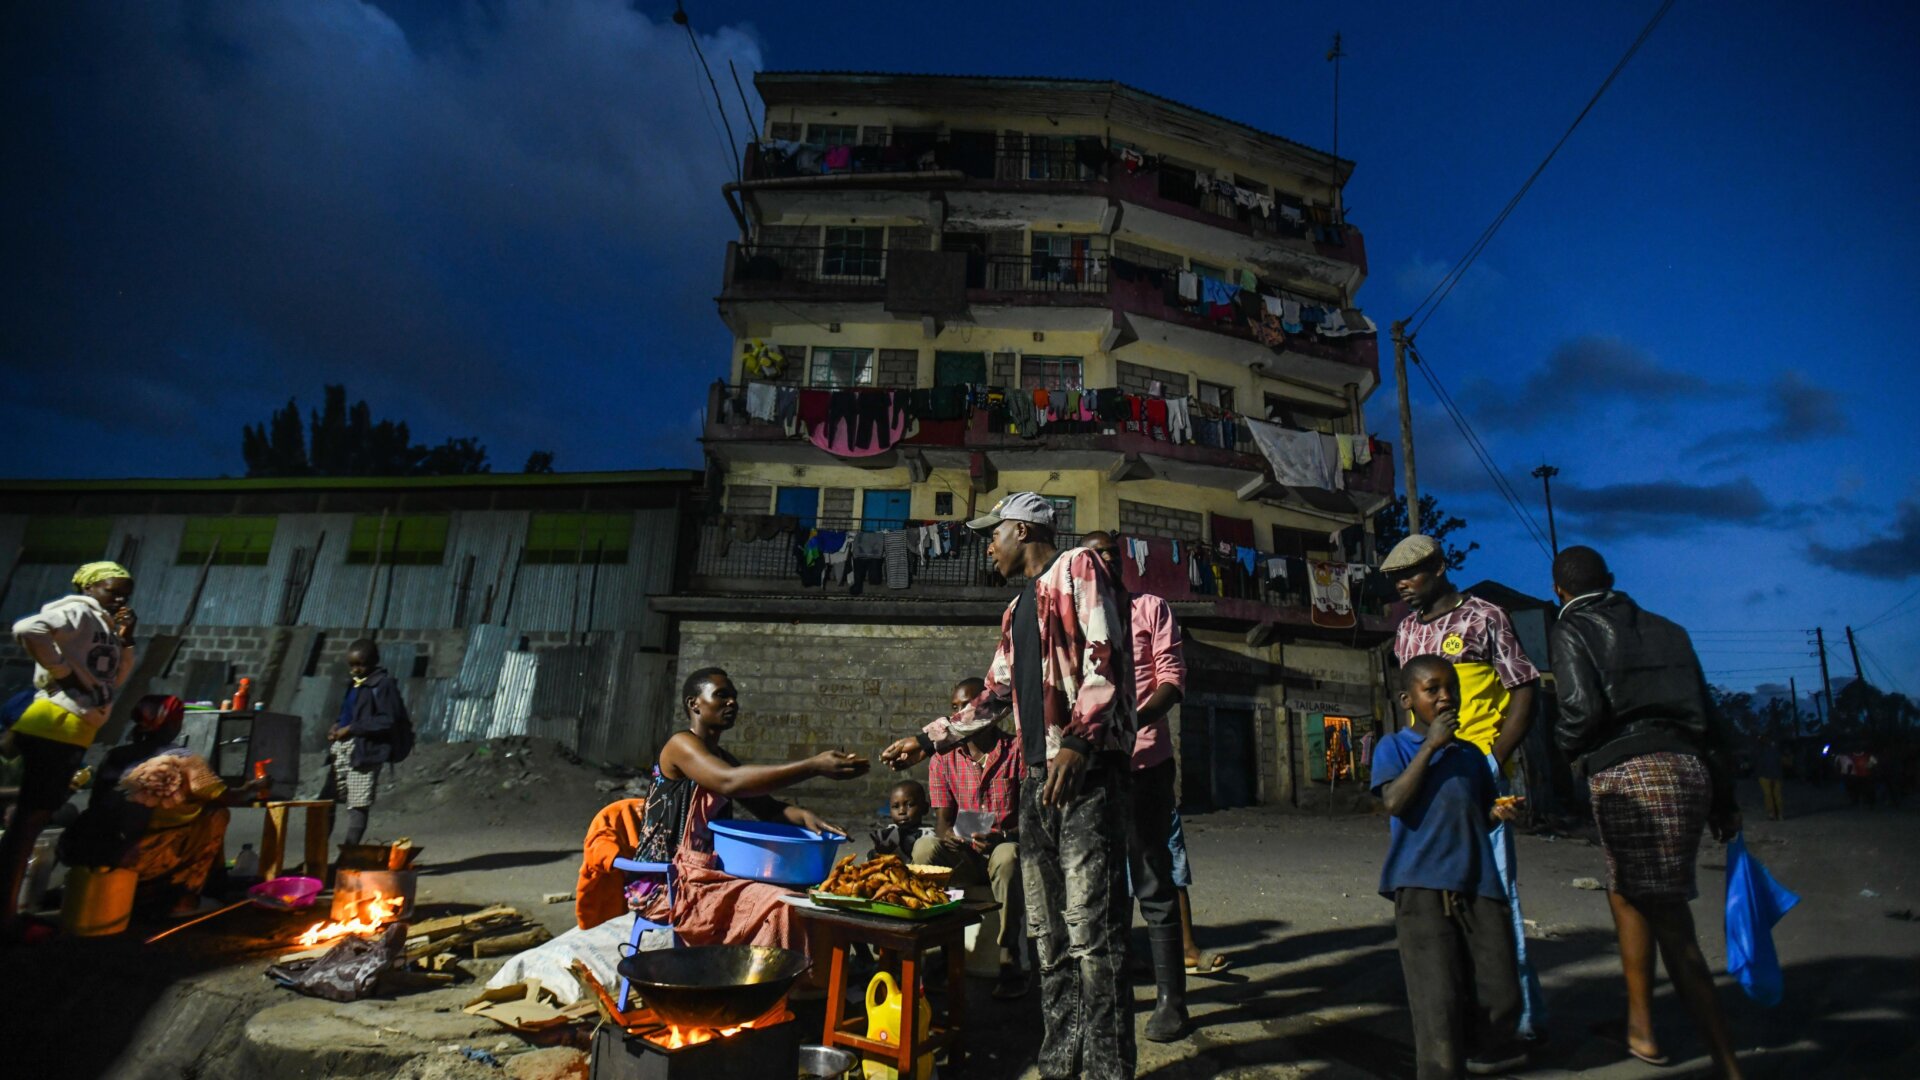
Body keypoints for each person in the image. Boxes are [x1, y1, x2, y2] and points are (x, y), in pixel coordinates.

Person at [880, 492, 1136, 1080]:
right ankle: (1060, 1061)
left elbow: (1106, 659)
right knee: (1047, 931)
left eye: (992, 534)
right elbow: (993, 696)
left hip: (1087, 770)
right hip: (1039, 776)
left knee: (1092, 932)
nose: (987, 546)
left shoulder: (1080, 568)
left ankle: (1107, 1069)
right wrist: (929, 739)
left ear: (1021, 530)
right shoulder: (1016, 609)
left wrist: (1080, 739)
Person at [1548, 546, 1744, 1076]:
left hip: (1632, 776)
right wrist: (1725, 801)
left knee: (1669, 920)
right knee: (1625, 891)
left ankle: (1728, 1062)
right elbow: (1710, 718)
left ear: (1560, 591)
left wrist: (1564, 758)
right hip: (1690, 769)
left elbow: (1581, 713)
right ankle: (1641, 1028)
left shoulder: (1572, 629)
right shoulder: (1670, 630)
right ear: (1610, 579)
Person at [1384, 534, 1546, 1040]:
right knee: (1435, 899)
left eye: (1411, 574)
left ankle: (1515, 1023)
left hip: (1478, 773)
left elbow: (1525, 686)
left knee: (1492, 895)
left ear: (1439, 567)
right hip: (1426, 776)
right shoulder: (1405, 632)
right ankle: (1462, 1021)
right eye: (1396, 579)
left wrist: (1494, 760)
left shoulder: (1484, 616)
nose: (1403, 585)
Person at [639, 667, 866, 976]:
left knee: (816, 894)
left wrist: (806, 820)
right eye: (721, 695)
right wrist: (812, 766)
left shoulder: (722, 757)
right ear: (694, 704)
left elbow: (769, 809)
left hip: (707, 875)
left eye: (734, 697)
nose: (732, 702)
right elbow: (730, 782)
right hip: (667, 882)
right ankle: (766, 990)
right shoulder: (680, 745)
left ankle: (816, 984)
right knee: (781, 904)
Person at [1085, 529, 1215, 1041]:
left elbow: (1172, 680)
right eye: (1097, 558)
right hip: (1094, 768)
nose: (1107, 565)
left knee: (1154, 879)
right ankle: (1115, 994)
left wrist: (1128, 720)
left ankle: (1172, 1002)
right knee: (1101, 886)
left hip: (1145, 765)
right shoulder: (1078, 623)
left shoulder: (1151, 608)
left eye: (1113, 556)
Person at [1373, 655, 1528, 1079]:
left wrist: (1498, 811)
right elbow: (1394, 802)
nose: (1445, 698)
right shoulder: (1396, 747)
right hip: (1421, 888)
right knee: (1436, 1006)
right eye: (1433, 690)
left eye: (1452, 689)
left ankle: (1474, 1049)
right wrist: (1431, 747)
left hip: (1479, 885)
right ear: (1408, 699)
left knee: (1503, 996)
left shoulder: (1474, 755)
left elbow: (1476, 811)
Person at [1, 561, 138, 938]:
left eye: (127, 591)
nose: (122, 597)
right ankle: (6, 917)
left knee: (32, 819)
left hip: (76, 726)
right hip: (55, 721)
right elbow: (28, 628)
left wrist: (126, 639)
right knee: (28, 822)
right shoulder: (77, 609)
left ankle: (10, 910)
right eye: (113, 589)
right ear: (90, 587)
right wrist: (64, 673)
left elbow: (113, 679)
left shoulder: (107, 626)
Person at [61, 695, 270, 915]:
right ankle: (182, 897)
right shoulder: (183, 758)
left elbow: (97, 803)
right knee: (216, 814)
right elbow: (228, 797)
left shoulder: (115, 755)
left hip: (101, 851)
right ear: (175, 723)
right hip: (140, 855)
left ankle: (133, 893)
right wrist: (253, 787)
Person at [910, 677, 1028, 1000]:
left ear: (986, 709)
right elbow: (942, 824)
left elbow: (1033, 823)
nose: (958, 714)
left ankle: (1009, 955)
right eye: (954, 709)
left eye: (965, 706)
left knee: (1007, 856)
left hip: (1003, 849)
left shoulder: (1016, 751)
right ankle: (940, 944)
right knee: (923, 848)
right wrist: (952, 838)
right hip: (965, 854)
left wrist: (1001, 835)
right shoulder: (943, 759)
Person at [323, 639, 409, 849]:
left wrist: (352, 728)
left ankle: (348, 854)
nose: (355, 670)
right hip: (342, 750)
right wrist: (337, 726)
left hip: (366, 752)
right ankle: (317, 855)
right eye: (351, 665)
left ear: (374, 661)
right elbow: (349, 713)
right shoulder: (355, 684)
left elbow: (388, 720)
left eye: (360, 665)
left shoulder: (383, 685)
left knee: (357, 805)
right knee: (325, 803)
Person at [870, 778, 929, 857]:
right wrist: (880, 851)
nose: (901, 811)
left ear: (924, 808)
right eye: (895, 806)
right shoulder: (890, 833)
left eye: (909, 805)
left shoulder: (928, 834)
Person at [1754, 737, 1785, 821]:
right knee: (1775, 795)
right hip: (1774, 774)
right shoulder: (1775, 749)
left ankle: (1773, 813)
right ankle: (1777, 813)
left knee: (1769, 795)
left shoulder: (1760, 750)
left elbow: (1757, 762)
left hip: (1767, 775)